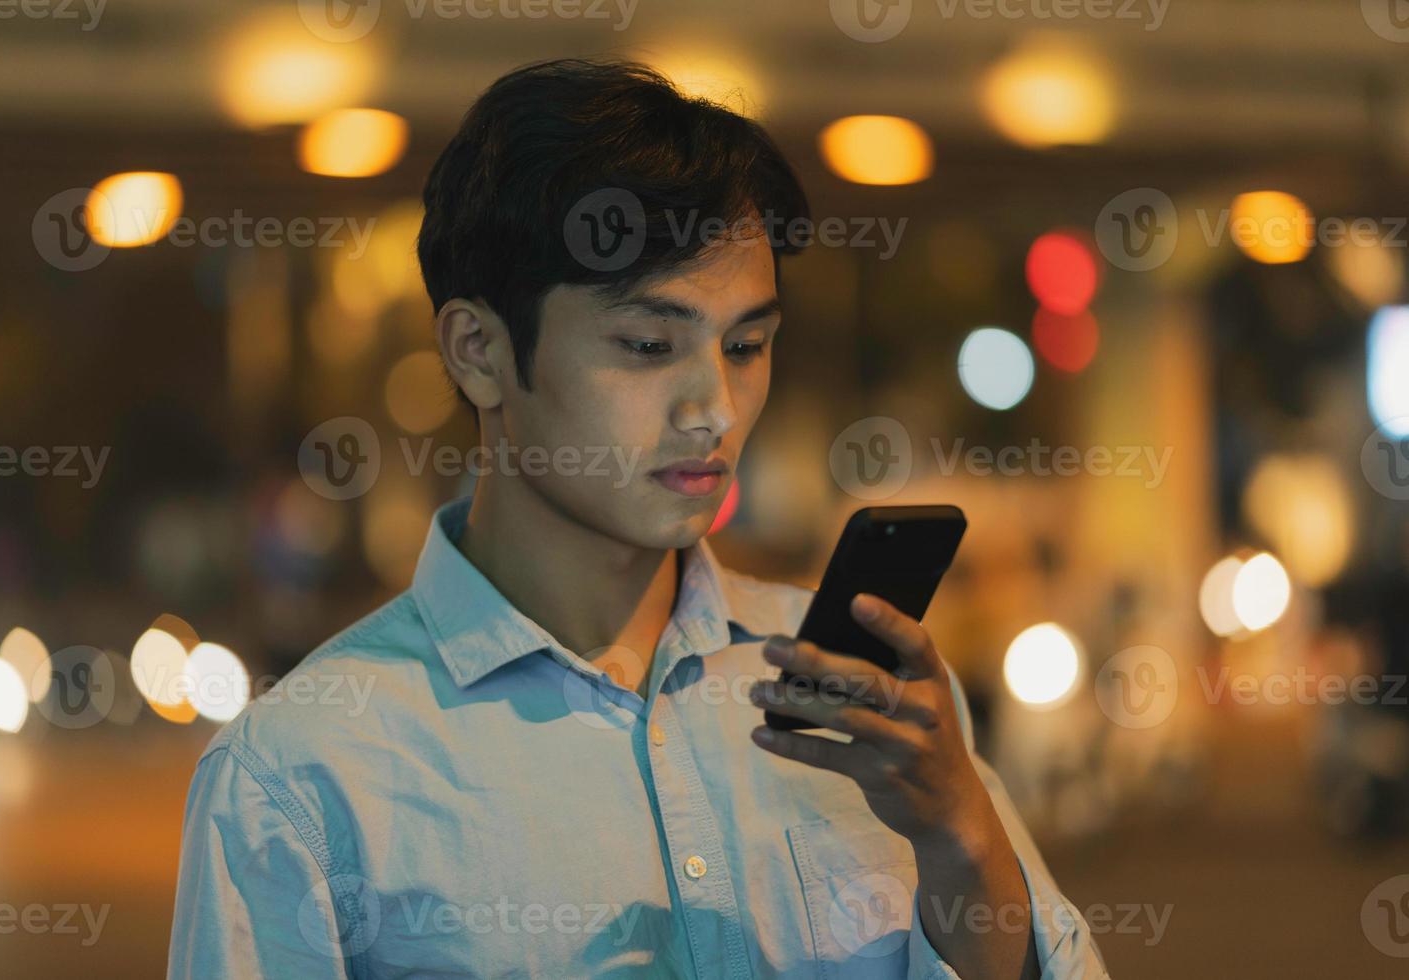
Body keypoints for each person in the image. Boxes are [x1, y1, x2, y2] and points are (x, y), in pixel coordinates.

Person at [167, 58, 1108, 979]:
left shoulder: (849, 692)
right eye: (650, 344)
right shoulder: (301, 776)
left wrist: (963, 843)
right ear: (479, 351)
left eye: (748, 345)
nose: (716, 408)